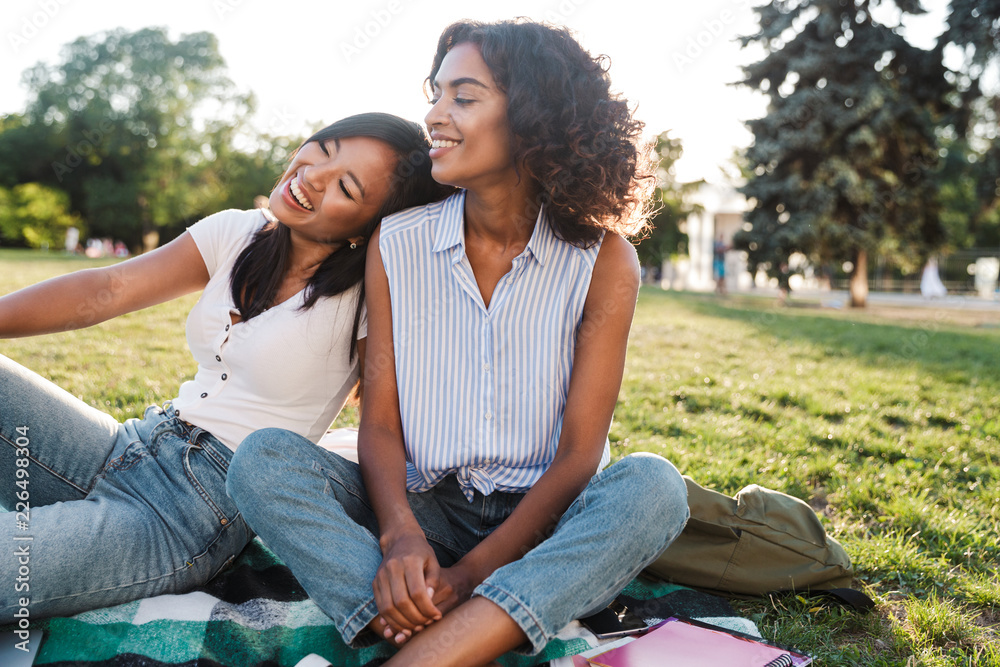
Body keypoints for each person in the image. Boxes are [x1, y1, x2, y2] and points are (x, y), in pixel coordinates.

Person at [228, 20, 689, 667]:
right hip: (428, 506)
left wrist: (472, 571)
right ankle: (466, 628)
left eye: (463, 97)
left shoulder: (604, 260)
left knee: (654, 487)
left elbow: (580, 452)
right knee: (262, 460)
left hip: (546, 522)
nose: (435, 116)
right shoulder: (399, 240)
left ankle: (424, 646)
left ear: (536, 116)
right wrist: (399, 537)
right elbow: (380, 419)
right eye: (435, 93)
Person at [0, 112, 450, 622]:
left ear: (369, 226)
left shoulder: (370, 295)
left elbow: (384, 423)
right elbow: (107, 290)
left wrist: (402, 534)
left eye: (345, 186)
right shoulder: (238, 231)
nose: (313, 176)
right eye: (324, 149)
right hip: (132, 445)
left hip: (189, 512)